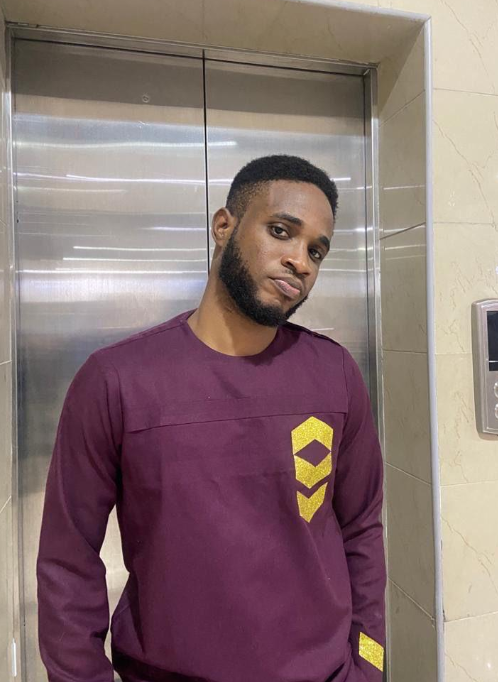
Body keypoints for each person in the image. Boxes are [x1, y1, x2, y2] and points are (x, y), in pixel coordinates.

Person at [37, 154, 386, 682]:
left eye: (316, 250)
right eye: (281, 231)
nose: (300, 261)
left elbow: (361, 528)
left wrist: (368, 666)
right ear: (224, 226)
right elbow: (69, 558)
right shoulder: (115, 381)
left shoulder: (334, 375)